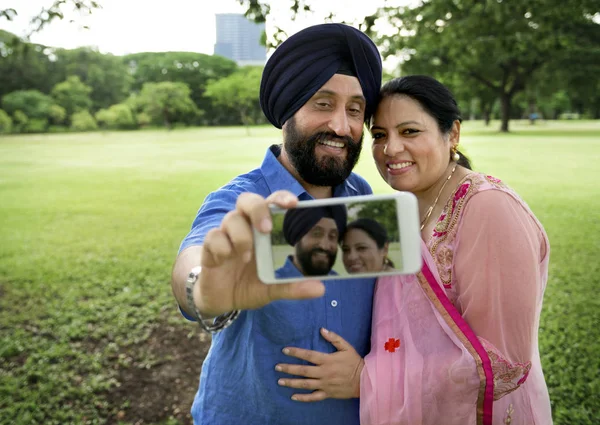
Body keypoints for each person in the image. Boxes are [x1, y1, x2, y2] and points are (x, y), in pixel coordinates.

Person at [276, 75, 552, 425]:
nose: (391, 149)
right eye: (379, 135)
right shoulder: (398, 209)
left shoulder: (487, 207)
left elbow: (500, 364)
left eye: (409, 132)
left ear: (452, 134)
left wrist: (367, 379)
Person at [170, 23, 382, 425]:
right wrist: (207, 288)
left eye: (356, 109)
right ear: (288, 110)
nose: (342, 126)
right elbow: (195, 261)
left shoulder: (365, 195)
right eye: (323, 103)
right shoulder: (239, 201)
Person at [279, 205, 347, 277]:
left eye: (332, 236)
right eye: (316, 234)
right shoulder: (271, 285)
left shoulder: (338, 280)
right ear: (296, 236)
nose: (324, 246)